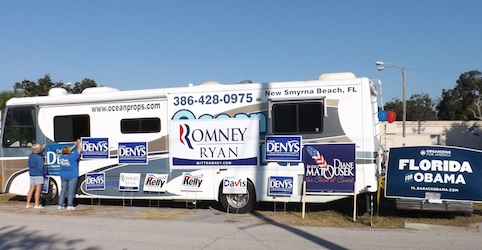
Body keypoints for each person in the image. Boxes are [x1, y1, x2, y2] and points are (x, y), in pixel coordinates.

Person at [58, 139, 81, 210]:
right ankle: (69, 205)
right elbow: (79, 150)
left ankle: (60, 205)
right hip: (72, 176)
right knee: (71, 190)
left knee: (63, 190)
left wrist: (74, 145)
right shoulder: (72, 156)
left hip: (63, 176)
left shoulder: (61, 157)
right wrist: (79, 143)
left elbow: (68, 150)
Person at [26, 143, 46, 209]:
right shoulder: (39, 158)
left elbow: (37, 153)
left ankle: (28, 204)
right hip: (38, 175)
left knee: (31, 189)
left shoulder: (31, 156)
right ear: (38, 150)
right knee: (38, 191)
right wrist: (44, 173)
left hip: (32, 174)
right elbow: (41, 167)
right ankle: (36, 204)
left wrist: (42, 149)